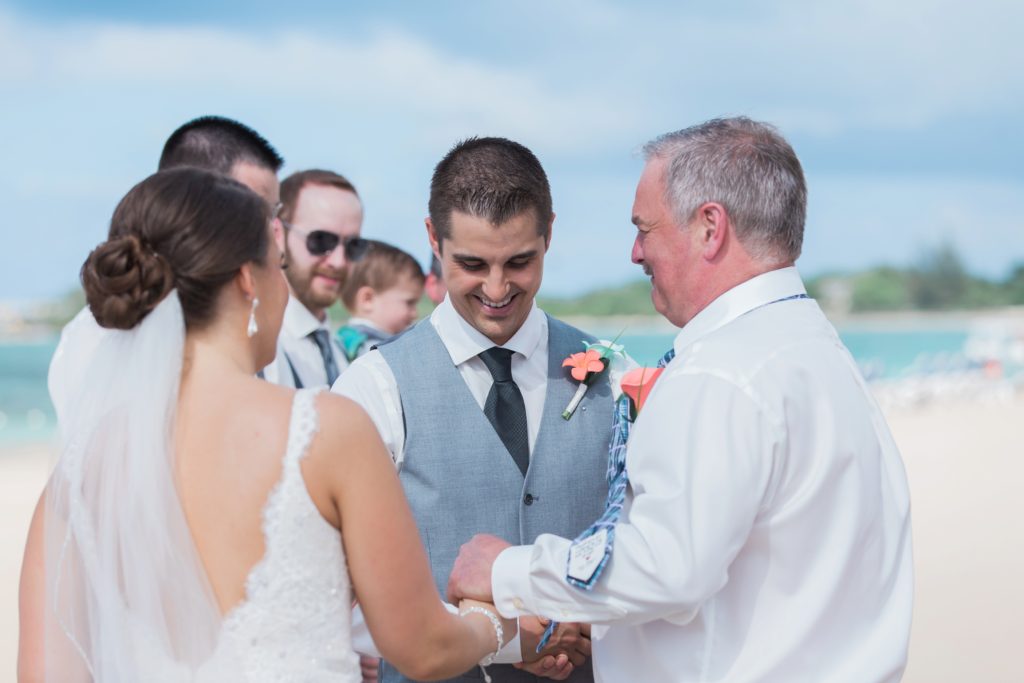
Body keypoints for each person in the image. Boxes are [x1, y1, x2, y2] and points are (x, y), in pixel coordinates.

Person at [447, 118, 914, 682]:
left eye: (645, 228)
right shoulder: (813, 348)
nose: (634, 252)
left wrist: (505, 571)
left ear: (709, 227)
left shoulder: (723, 371)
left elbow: (670, 566)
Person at [18, 167, 515, 682]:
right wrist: (496, 622)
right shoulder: (327, 431)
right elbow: (423, 648)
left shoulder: (76, 473)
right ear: (245, 280)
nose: (285, 287)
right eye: (279, 266)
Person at [334, 137, 625, 683]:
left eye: (519, 261)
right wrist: (505, 640)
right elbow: (343, 594)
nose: (496, 289)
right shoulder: (371, 388)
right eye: (471, 264)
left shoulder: (617, 374)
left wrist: (592, 626)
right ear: (432, 239)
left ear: (550, 234)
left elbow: (653, 548)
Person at [48, 115, 285, 427]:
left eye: (274, 213)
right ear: (192, 197)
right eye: (257, 210)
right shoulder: (95, 346)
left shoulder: (259, 317)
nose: (274, 231)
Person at [263, 169, 368, 388]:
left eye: (353, 246)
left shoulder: (342, 354)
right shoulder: (261, 352)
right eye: (321, 241)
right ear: (277, 234)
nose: (338, 261)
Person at [336, 240, 425, 362]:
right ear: (368, 300)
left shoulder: (339, 343)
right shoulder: (371, 350)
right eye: (409, 303)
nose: (415, 313)